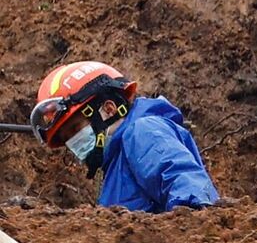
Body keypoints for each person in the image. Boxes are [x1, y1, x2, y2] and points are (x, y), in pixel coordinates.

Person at [30, 62, 218, 213]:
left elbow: (196, 205)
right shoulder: (115, 165)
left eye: (75, 128)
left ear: (109, 109)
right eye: (67, 138)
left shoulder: (144, 133)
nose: (73, 141)